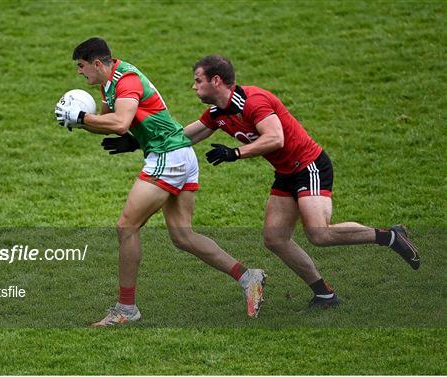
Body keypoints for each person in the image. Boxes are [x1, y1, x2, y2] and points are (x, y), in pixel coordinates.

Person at [103, 55, 421, 309]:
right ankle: (324, 294)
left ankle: (389, 237)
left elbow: (275, 137)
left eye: (197, 80)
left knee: (319, 234)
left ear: (216, 80)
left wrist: (236, 153)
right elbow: (186, 135)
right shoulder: (218, 112)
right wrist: (139, 142)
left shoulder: (254, 101)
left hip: (308, 166)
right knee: (274, 238)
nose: (193, 87)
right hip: (285, 174)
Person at [55, 39, 266, 327]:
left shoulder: (125, 80)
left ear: (96, 63)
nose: (80, 73)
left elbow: (119, 123)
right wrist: (79, 122)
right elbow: (104, 120)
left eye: (81, 66)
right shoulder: (108, 83)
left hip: (168, 156)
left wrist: (82, 116)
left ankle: (126, 309)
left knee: (126, 227)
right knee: (183, 236)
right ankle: (247, 276)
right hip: (179, 153)